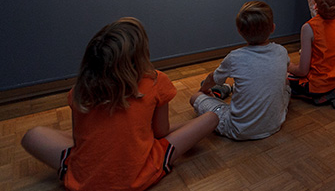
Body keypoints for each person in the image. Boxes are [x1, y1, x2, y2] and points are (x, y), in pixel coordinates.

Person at [21, 17, 218, 191]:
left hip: (83, 181)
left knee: (32, 135)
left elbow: (78, 139)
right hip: (138, 176)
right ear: (141, 55)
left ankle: (115, 142)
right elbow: (161, 133)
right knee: (211, 117)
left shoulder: (80, 90)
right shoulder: (156, 80)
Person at [190, 1, 291, 140]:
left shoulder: (235, 57)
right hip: (275, 123)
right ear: (273, 28)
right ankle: (228, 88)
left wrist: (204, 90)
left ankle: (222, 90)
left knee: (195, 98)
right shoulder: (282, 51)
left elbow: (212, 78)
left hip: (238, 129)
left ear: (239, 31)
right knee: (286, 82)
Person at [288, 0, 335, 109]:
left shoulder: (309, 28)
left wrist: (287, 66)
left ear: (315, 5)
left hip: (318, 83)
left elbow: (302, 70)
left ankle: (319, 95)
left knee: (283, 78)